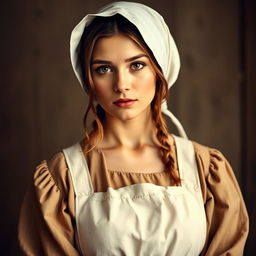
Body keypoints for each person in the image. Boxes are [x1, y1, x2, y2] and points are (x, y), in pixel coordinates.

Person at [18, 1, 249, 255]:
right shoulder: (60, 178)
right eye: (104, 69)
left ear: (159, 68)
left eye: (136, 65)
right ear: (88, 79)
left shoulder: (208, 169)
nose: (121, 84)